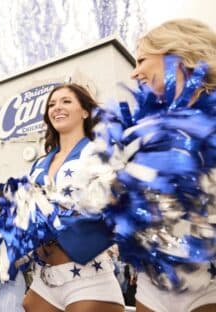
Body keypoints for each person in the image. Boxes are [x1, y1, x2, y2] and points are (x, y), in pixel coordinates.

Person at [125, 18, 216, 312]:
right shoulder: (146, 130)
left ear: (175, 54)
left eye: (141, 60)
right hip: (154, 283)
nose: (134, 71)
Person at [21, 83, 124, 312]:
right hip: (44, 281)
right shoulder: (39, 164)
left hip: (88, 278)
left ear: (85, 111)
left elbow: (120, 205)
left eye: (66, 101)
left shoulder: (100, 152)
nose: (57, 107)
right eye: (51, 104)